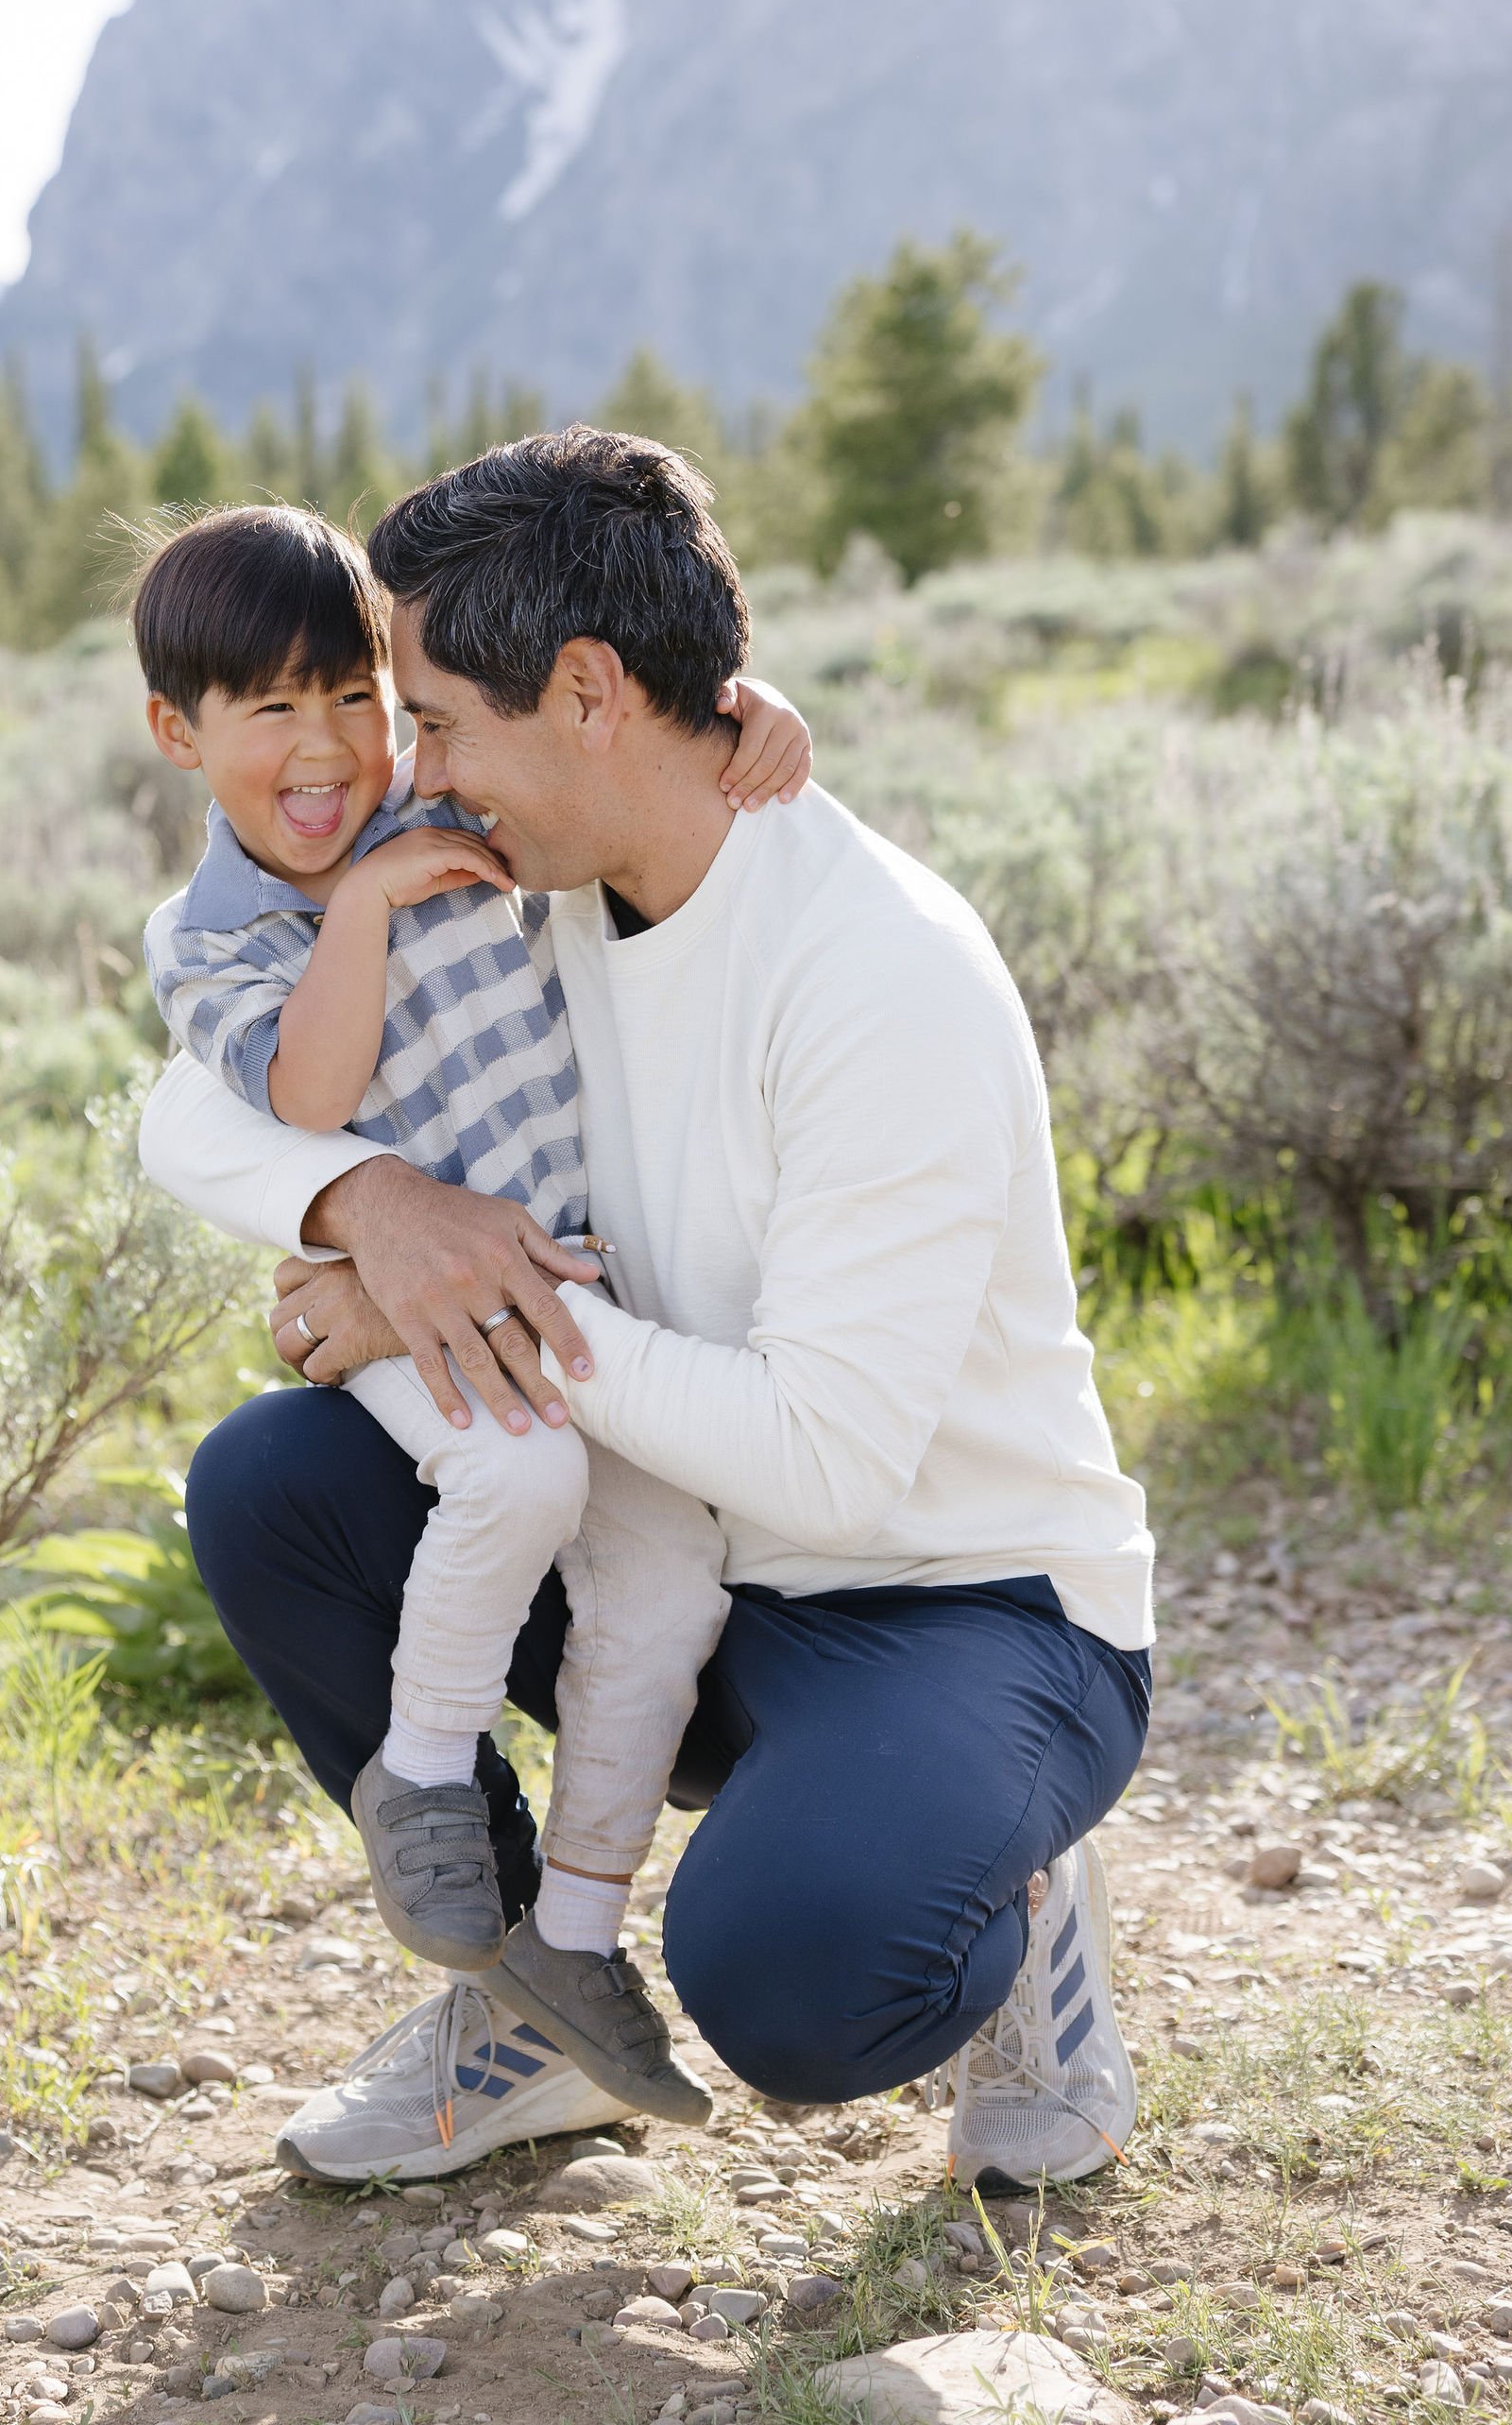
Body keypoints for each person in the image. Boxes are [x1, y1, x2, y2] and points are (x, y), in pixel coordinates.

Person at [139, 426, 1156, 2190]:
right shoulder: (547, 890)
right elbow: (184, 1103)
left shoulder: (872, 972)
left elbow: (830, 1470)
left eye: (435, 722)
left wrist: (476, 1298)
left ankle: (1018, 1881)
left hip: (957, 1605)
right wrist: (374, 1208)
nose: (414, 776)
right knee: (272, 1489)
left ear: (592, 693)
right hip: (688, 1552)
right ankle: (538, 2004)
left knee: (796, 1973)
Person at [131, 499, 811, 2120]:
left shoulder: (449, 805)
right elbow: (304, 1090)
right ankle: (426, 1775)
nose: (328, 749)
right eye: (270, 710)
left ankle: (569, 1947)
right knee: (521, 1478)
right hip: (434, 1333)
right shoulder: (218, 931)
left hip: (589, 1296)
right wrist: (360, 910)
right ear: (178, 733)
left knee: (664, 1587)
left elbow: (614, 776)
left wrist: (743, 719)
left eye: (355, 698)